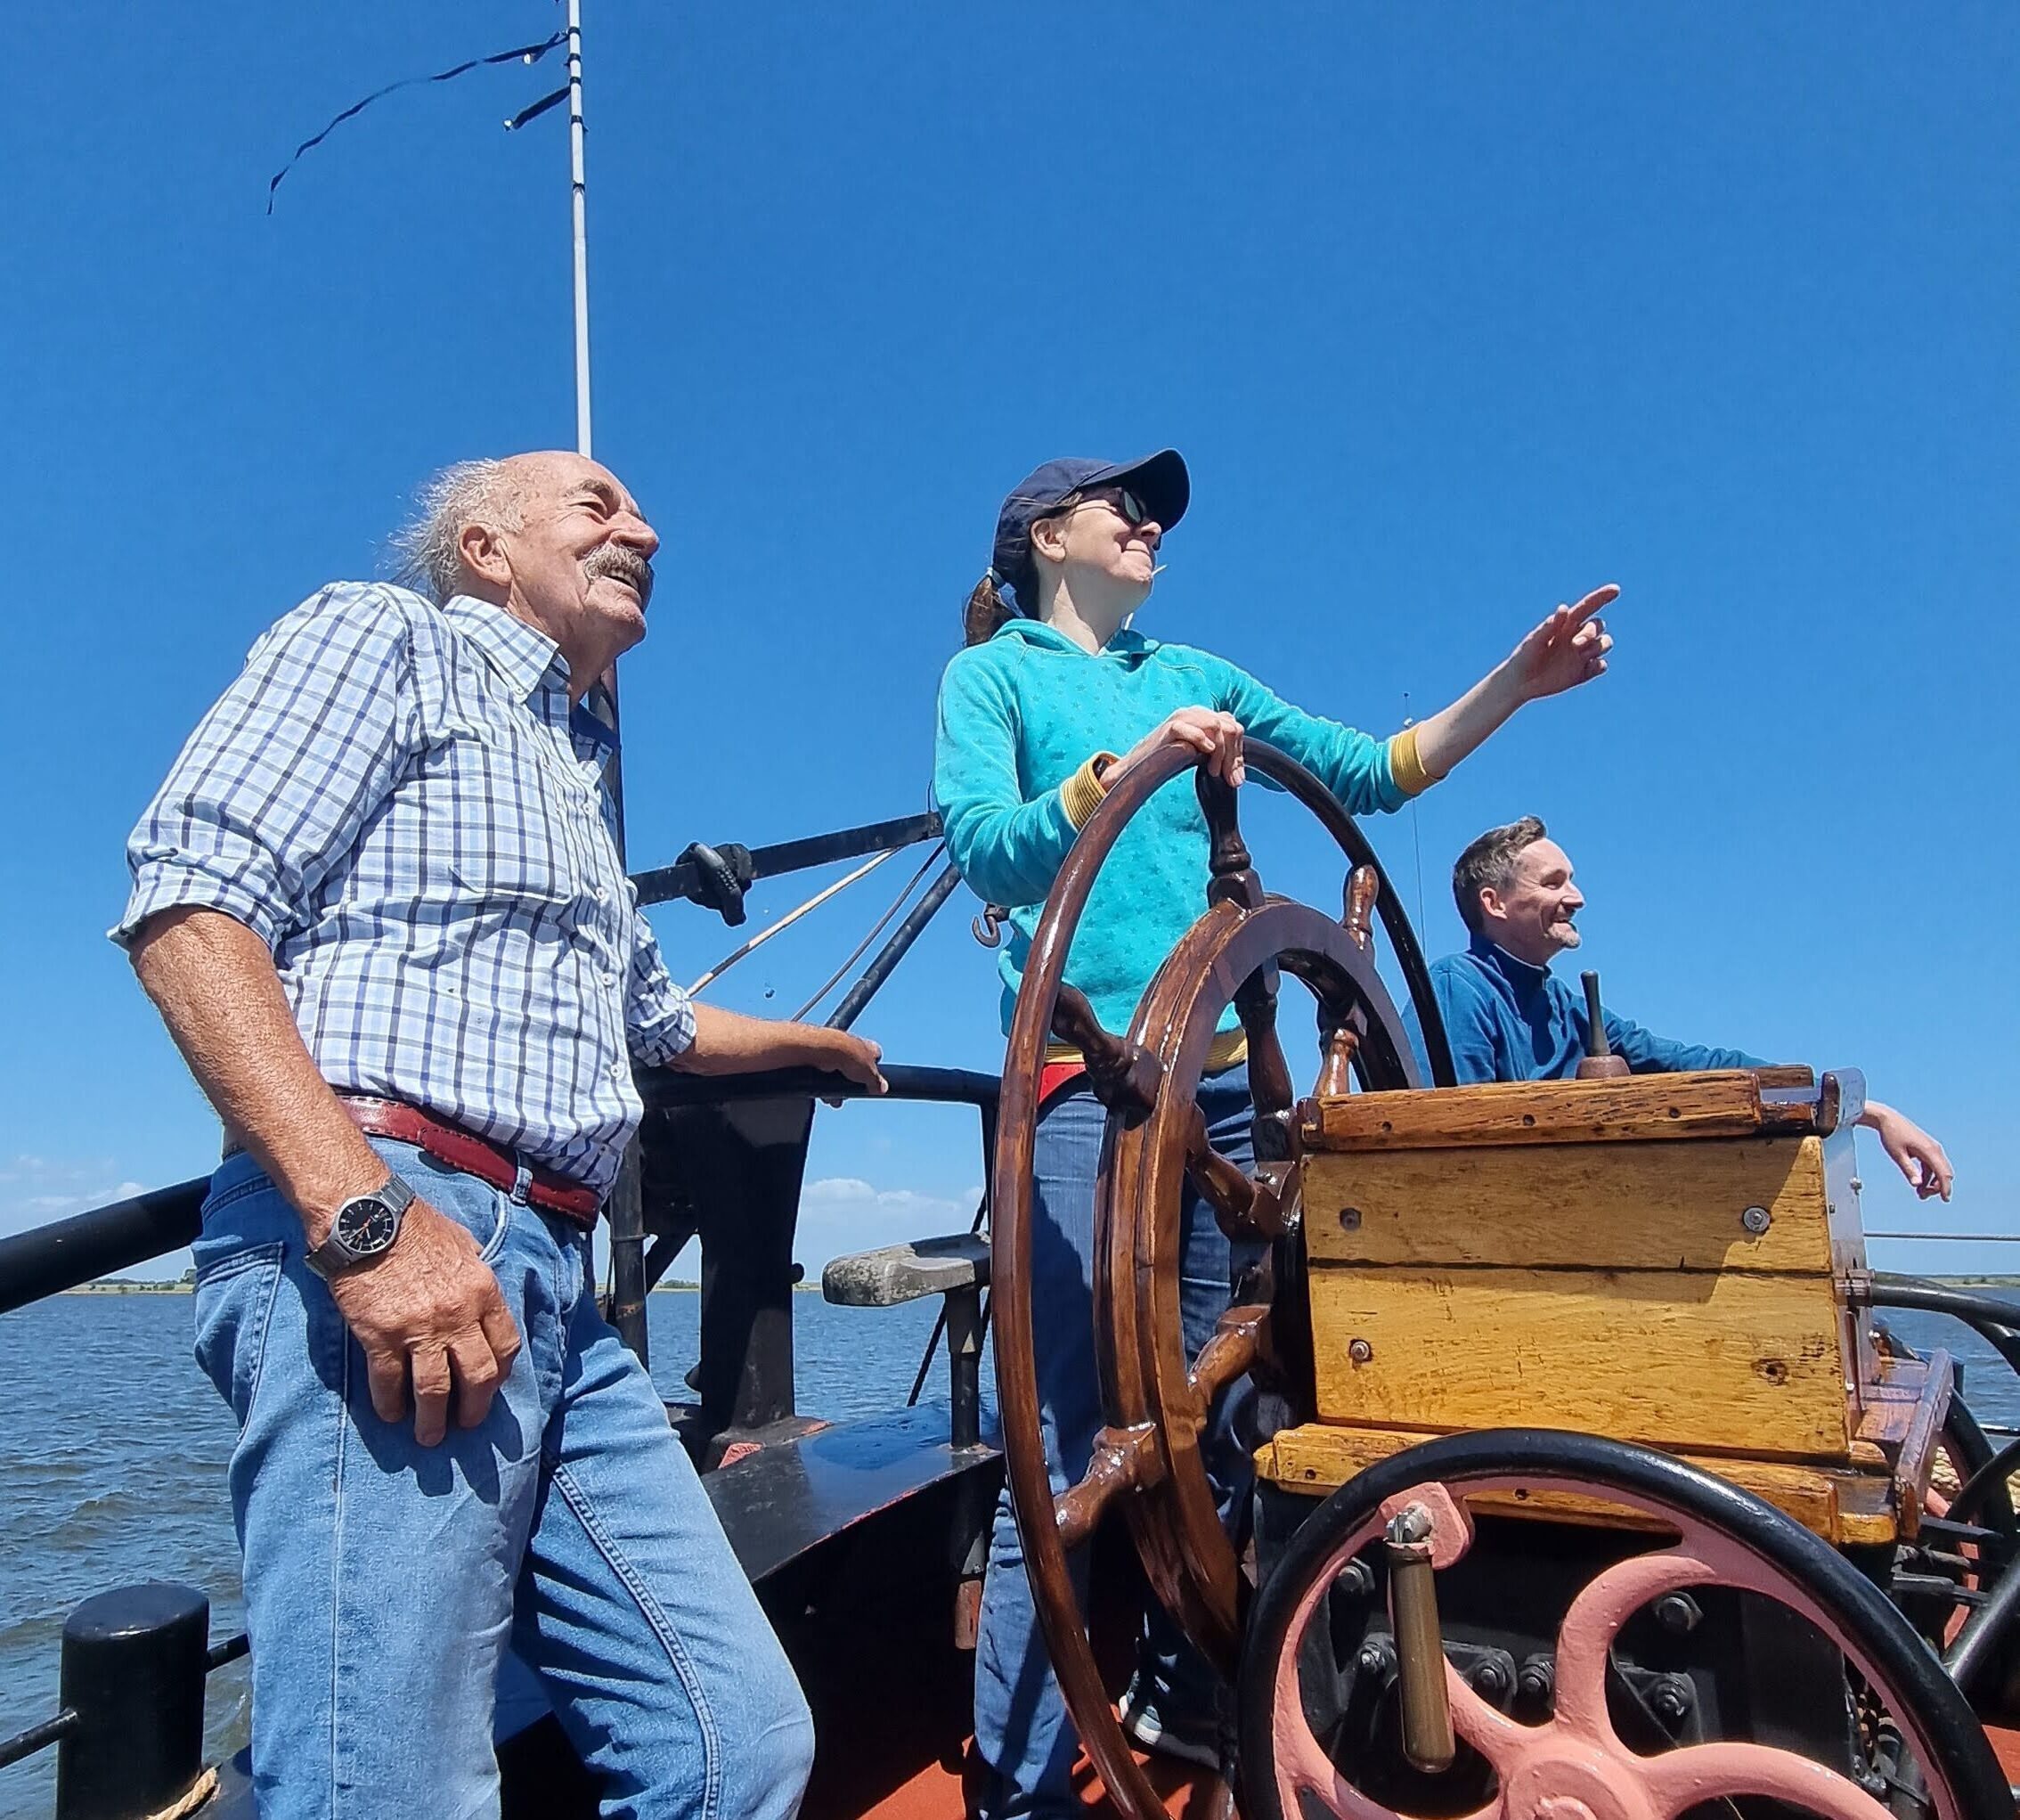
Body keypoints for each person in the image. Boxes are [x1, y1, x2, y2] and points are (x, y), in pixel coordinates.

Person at [114, 452, 886, 1819]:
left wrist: (821, 1048)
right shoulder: (384, 636)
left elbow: (660, 1026)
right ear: (484, 543)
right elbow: (191, 903)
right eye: (597, 503)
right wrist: (363, 1218)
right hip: (393, 1224)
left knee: (739, 1742)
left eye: (642, 511)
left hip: (552, 1287)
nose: (643, 526)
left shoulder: (575, 778)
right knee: (388, 1787)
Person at [933, 448, 1618, 1816]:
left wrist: (1514, 685)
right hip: (1083, 1091)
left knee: (1228, 1412)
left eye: (1158, 510)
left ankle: (1202, 1698)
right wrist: (1111, 777)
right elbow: (985, 848)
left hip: (1230, 1093)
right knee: (1059, 1448)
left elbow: (1377, 770)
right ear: (1041, 535)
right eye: (1122, 505)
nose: (1148, 524)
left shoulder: (1199, 669)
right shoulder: (993, 677)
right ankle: (1019, 1787)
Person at [1429, 815, 1953, 1197]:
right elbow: (1452, 1145)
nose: (1579, 897)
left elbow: (1693, 1064)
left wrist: (1867, 1110)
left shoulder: (1569, 1008)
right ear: (1493, 904)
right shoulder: (1460, 989)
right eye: (1554, 883)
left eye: (1573, 879)